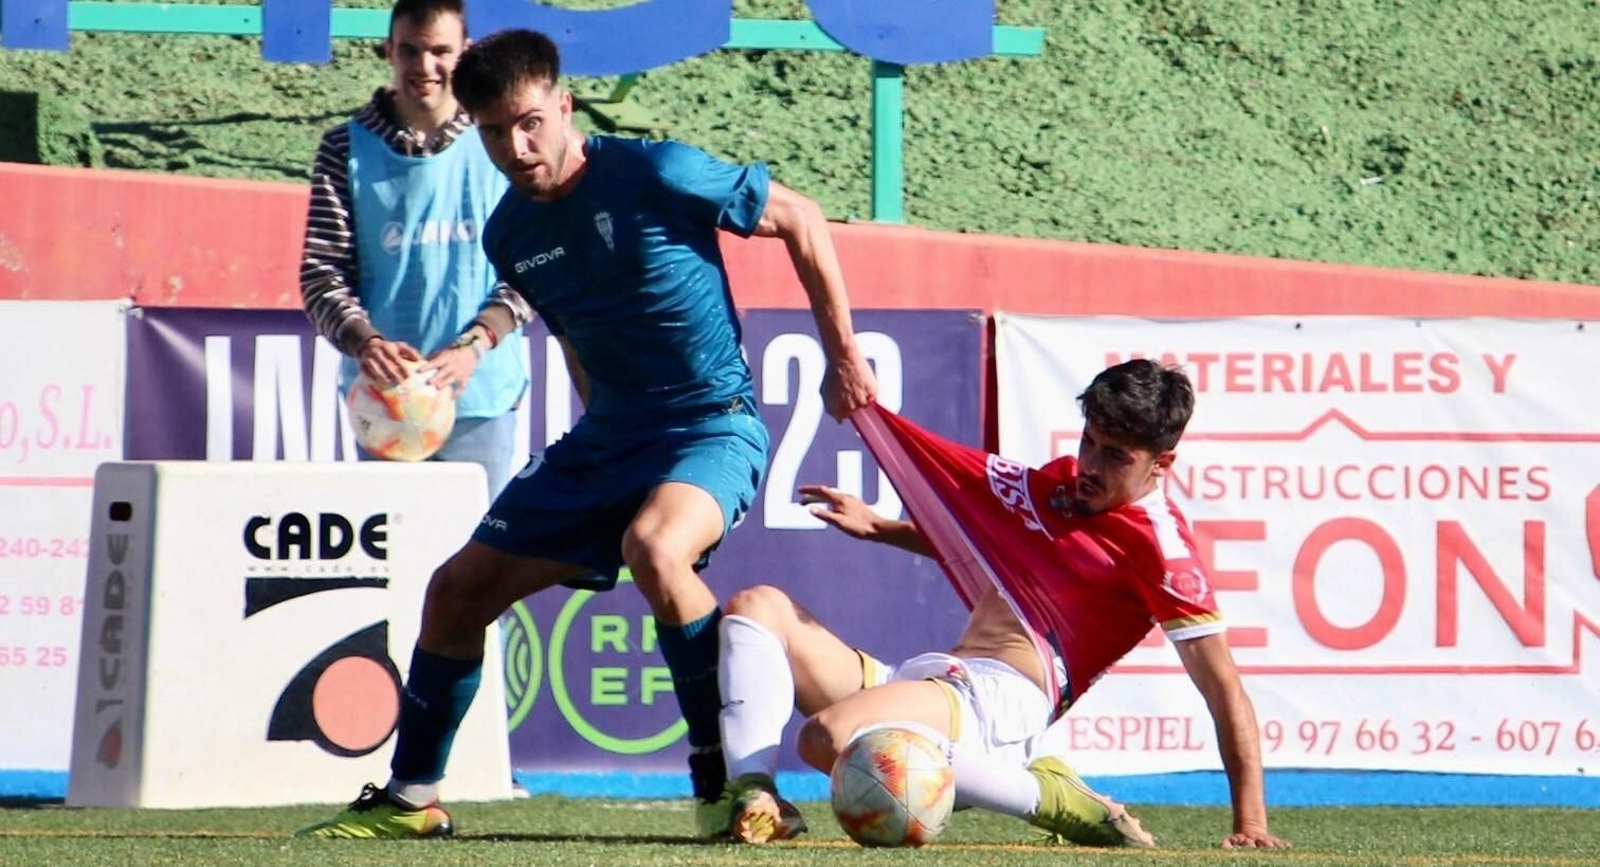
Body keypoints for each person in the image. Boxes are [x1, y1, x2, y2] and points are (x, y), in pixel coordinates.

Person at [299, 28, 877, 839]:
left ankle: (729, 790)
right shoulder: (511, 234)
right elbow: (575, 341)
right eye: (496, 131)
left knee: (657, 548)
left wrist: (842, 357)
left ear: (564, 105)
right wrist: (588, 483)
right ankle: (411, 796)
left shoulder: (657, 171)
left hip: (710, 424)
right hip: (606, 440)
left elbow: (802, 219)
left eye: (532, 121)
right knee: (456, 591)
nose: (517, 146)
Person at [714, 360, 1291, 849]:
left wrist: (1251, 823)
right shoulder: (1065, 484)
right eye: (1088, 440)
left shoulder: (1162, 551)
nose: (1090, 464)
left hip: (1001, 707)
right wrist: (883, 528)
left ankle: (1048, 796)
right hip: (943, 685)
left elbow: (1224, 689)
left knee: (826, 739)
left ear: (1160, 464)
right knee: (756, 606)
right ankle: (758, 796)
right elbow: (987, 546)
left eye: (1115, 456)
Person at [300, 0, 530, 500]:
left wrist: (477, 344)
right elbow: (322, 273)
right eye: (410, 51)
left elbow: (533, 263)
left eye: (440, 51)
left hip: (480, 397)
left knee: (478, 568)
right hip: (385, 404)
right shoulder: (345, 149)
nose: (425, 67)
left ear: (464, 53)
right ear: (389, 51)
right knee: (395, 570)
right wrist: (367, 344)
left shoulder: (500, 140)